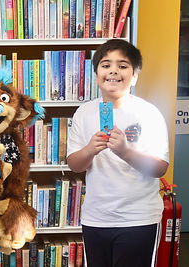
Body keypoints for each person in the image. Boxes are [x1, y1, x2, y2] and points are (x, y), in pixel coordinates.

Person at [67, 39, 169, 267]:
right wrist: (89, 151)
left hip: (138, 219)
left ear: (134, 76)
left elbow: (160, 168)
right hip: (96, 218)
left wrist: (125, 152)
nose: (113, 70)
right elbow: (75, 164)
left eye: (123, 65)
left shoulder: (148, 113)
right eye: (106, 65)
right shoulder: (84, 112)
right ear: (96, 74)